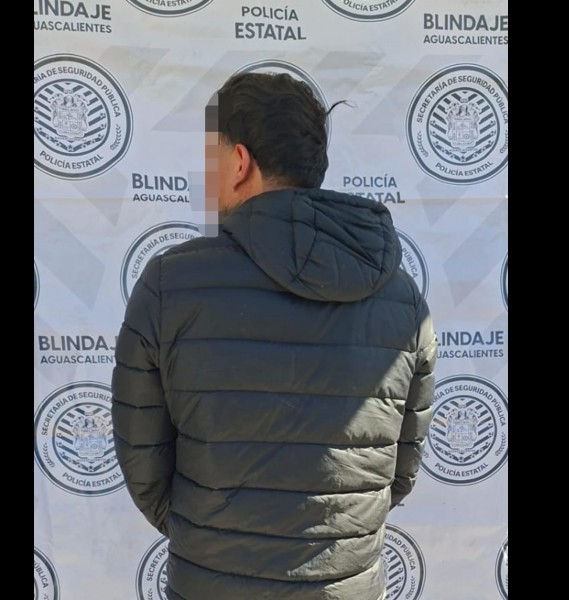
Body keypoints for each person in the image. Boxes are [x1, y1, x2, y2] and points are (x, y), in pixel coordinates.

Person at [111, 71, 438, 600]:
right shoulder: (402, 299)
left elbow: (145, 466)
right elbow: (398, 474)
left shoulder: (170, 285)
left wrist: (215, 535)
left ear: (240, 162)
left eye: (211, 157)